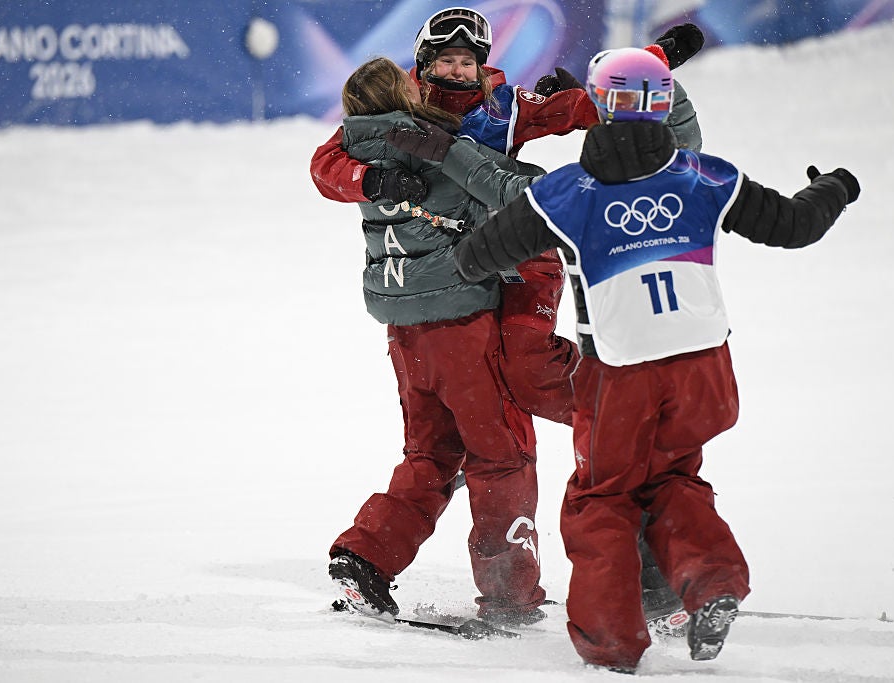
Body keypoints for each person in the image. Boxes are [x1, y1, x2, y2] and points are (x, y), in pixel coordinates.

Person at [394, 47, 858, 671]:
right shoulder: (706, 176)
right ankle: (711, 582)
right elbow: (795, 225)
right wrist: (835, 186)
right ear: (664, 101)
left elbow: (476, 257)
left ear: (599, 103)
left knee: (600, 499)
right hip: (706, 372)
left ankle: (612, 643)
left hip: (621, 373)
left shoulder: (565, 194)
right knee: (673, 479)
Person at [314, 6, 702, 633]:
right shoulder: (403, 118)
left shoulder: (502, 105)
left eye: (467, 61)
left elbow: (583, 107)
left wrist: (655, 61)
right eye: (444, 61)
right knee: (489, 445)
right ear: (421, 66)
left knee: (518, 381)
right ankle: (519, 571)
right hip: (457, 296)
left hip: (518, 267)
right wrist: (369, 178)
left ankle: (622, 429)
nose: (457, 70)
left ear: (485, 62)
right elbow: (330, 163)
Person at [326, 56, 554, 628]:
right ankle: (509, 595)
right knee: (501, 456)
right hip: (463, 327)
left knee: (430, 454)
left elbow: (323, 166)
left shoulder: (360, 148)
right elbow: (512, 191)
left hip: (406, 335)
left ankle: (365, 557)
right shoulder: (436, 142)